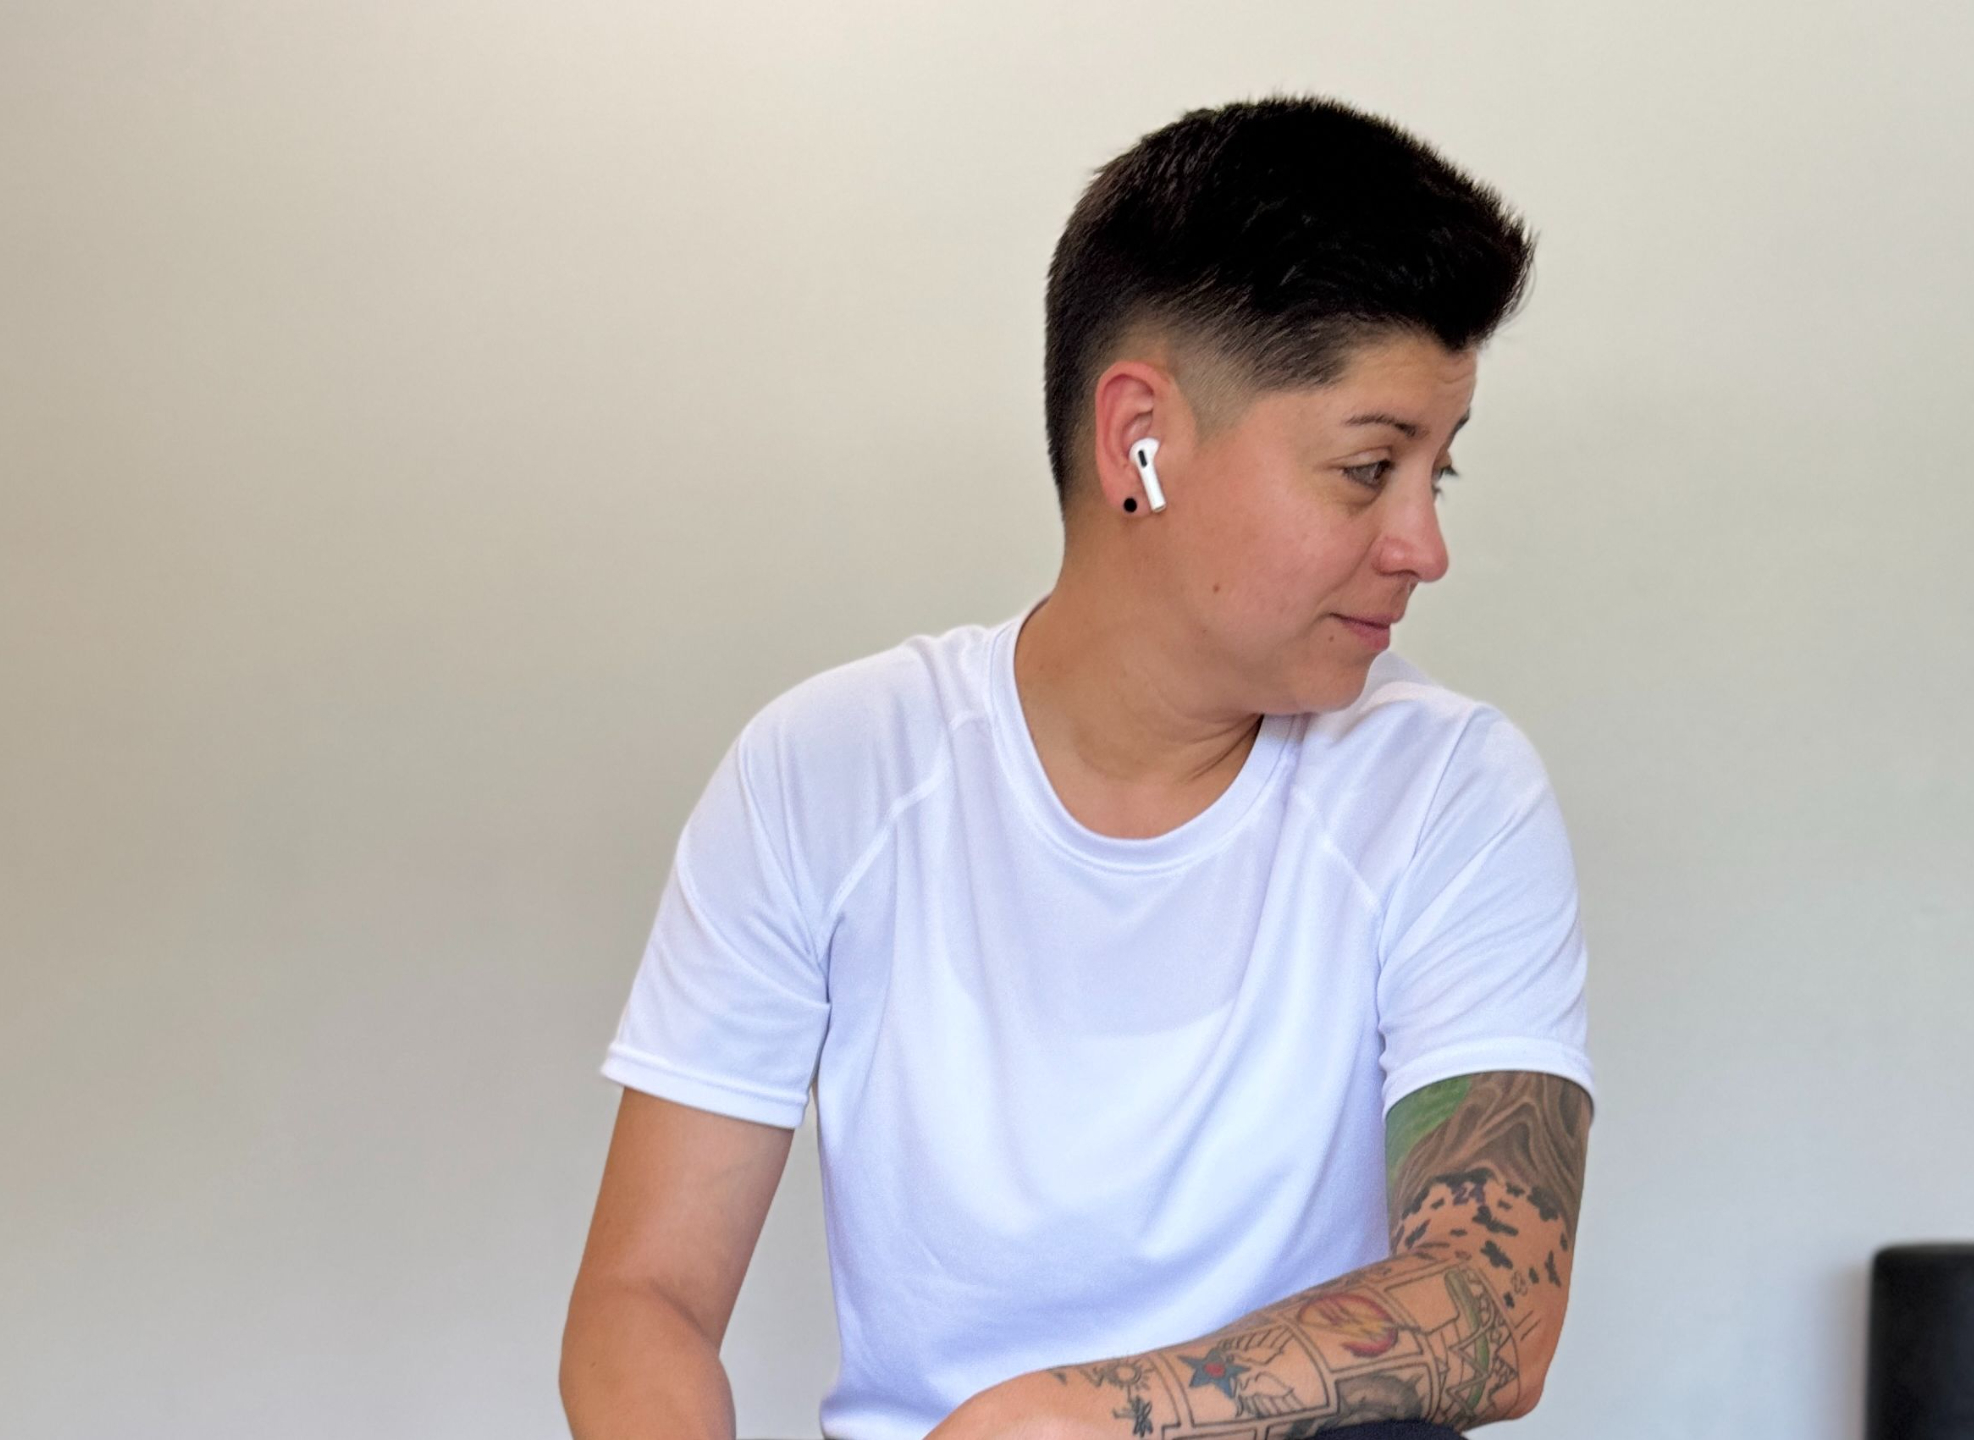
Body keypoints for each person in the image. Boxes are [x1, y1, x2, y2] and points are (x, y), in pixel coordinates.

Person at [559, 93, 1598, 1440]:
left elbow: (1491, 1307)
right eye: (1367, 468)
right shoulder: (829, 770)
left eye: (1436, 475)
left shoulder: (1449, 788)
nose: (1423, 547)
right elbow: (644, 1297)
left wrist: (1077, 1416)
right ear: (1139, 442)